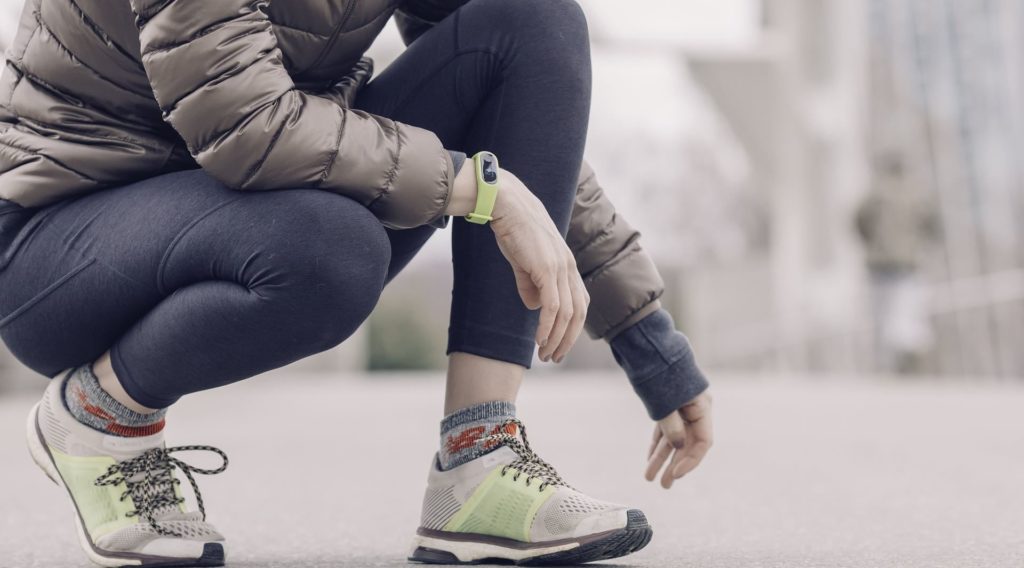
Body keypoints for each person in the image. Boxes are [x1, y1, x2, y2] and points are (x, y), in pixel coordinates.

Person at [0, 0, 714, 565]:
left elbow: (521, 119)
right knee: (331, 251)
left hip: (250, 202)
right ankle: (99, 418)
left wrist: (648, 339)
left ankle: (480, 460)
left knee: (534, 22)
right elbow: (245, 123)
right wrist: (481, 188)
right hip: (59, 240)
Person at [856, 151, 940, 374]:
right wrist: (923, 243)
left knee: (884, 317)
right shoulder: (917, 195)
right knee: (907, 316)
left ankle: (891, 366)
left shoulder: (875, 195)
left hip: (879, 264)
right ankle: (908, 364)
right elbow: (933, 225)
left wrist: (872, 242)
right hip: (907, 264)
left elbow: (858, 221)